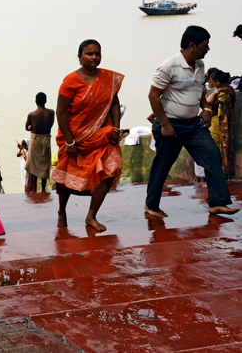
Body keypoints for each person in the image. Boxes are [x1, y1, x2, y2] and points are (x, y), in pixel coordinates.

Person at [146, 26, 239, 218]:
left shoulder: (200, 64)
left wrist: (205, 109)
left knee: (212, 154)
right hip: (170, 124)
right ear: (192, 45)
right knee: (163, 164)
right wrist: (165, 124)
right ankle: (152, 206)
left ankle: (217, 203)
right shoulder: (168, 66)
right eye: (205, 45)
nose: (208, 49)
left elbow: (199, 90)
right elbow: (153, 96)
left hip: (193, 125)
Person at [52, 39, 124, 232]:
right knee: (66, 177)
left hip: (102, 136)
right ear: (79, 57)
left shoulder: (108, 78)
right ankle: (61, 211)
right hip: (75, 138)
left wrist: (116, 129)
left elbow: (114, 104)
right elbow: (60, 113)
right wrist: (70, 141)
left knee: (107, 173)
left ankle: (91, 216)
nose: (94, 57)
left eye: (97, 53)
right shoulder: (71, 81)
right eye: (89, 54)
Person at [207, 70, 236, 179]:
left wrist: (216, 91)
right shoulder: (230, 89)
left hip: (221, 125)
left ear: (218, 81)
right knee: (225, 149)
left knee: (217, 149)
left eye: (213, 82)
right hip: (228, 123)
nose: (213, 84)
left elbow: (208, 102)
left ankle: (219, 175)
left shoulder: (223, 93)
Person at [24, 92, 55, 193]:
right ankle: (43, 189)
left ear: (36, 102)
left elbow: (26, 127)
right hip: (46, 139)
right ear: (45, 101)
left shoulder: (32, 114)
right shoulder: (51, 113)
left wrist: (30, 127)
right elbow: (51, 124)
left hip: (36, 139)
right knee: (44, 165)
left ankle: (33, 190)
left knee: (33, 165)